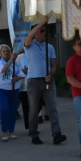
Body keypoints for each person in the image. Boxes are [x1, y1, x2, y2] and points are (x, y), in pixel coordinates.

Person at [23, 16, 67, 146]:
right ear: (36, 32)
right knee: (34, 109)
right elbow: (29, 36)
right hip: (34, 81)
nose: (44, 32)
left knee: (52, 108)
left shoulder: (50, 47)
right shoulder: (29, 45)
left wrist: (51, 74)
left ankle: (56, 134)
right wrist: (42, 22)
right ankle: (34, 133)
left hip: (47, 81)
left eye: (44, 30)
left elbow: (54, 64)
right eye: (41, 30)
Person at [65, 37, 81, 157]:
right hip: (79, 95)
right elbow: (69, 78)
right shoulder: (72, 60)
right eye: (79, 44)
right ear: (74, 47)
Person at [0, 45, 23, 141]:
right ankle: (4, 131)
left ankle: (11, 131)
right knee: (5, 109)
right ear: (0, 53)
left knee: (12, 110)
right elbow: (3, 70)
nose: (6, 52)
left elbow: (21, 75)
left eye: (8, 51)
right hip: (2, 89)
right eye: (4, 51)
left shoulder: (14, 63)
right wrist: (11, 60)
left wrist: (16, 78)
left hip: (14, 89)